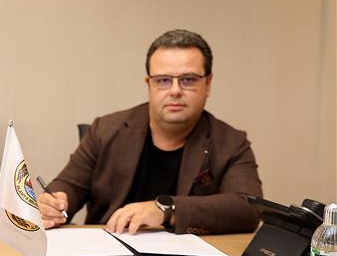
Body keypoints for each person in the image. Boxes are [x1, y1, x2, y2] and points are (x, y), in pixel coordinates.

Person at [39, 29, 262, 235]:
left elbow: (248, 209)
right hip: (108, 250)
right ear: (149, 84)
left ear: (208, 84)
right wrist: (54, 203)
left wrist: (168, 209)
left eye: (188, 80)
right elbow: (69, 186)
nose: (175, 91)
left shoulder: (232, 143)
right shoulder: (105, 130)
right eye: (163, 80)